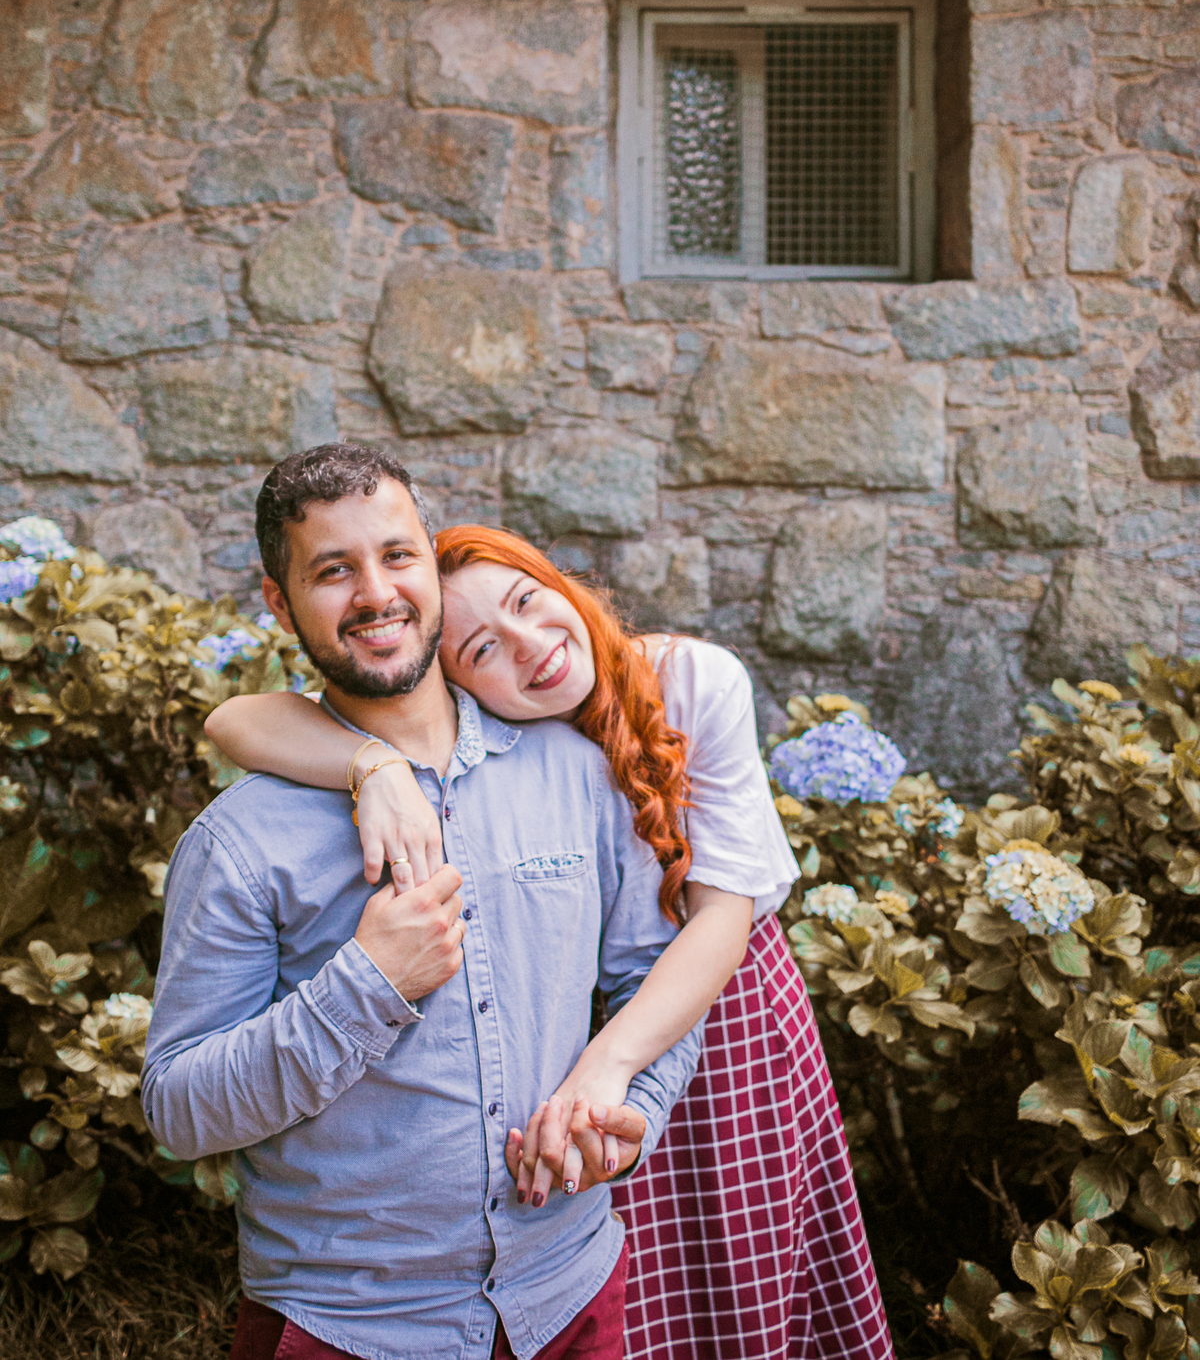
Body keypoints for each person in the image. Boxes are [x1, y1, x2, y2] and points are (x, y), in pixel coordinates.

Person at [206, 513, 895, 1360]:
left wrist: (606, 1066)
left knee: (730, 1277)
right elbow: (233, 721)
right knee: (618, 1283)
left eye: (529, 602)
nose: (530, 647)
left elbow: (722, 918)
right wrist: (372, 766)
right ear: (454, 685)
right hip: (555, 1046)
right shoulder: (498, 734)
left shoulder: (688, 679)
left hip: (714, 1011)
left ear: (559, 582)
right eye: (483, 650)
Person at [143, 443, 705, 1360]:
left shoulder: (577, 775)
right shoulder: (241, 841)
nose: (376, 593)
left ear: (430, 564)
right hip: (346, 1326)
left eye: (397, 555)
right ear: (280, 602)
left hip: (567, 1297)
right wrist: (365, 985)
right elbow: (179, 1110)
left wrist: (630, 1110)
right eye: (333, 570)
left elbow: (656, 976)